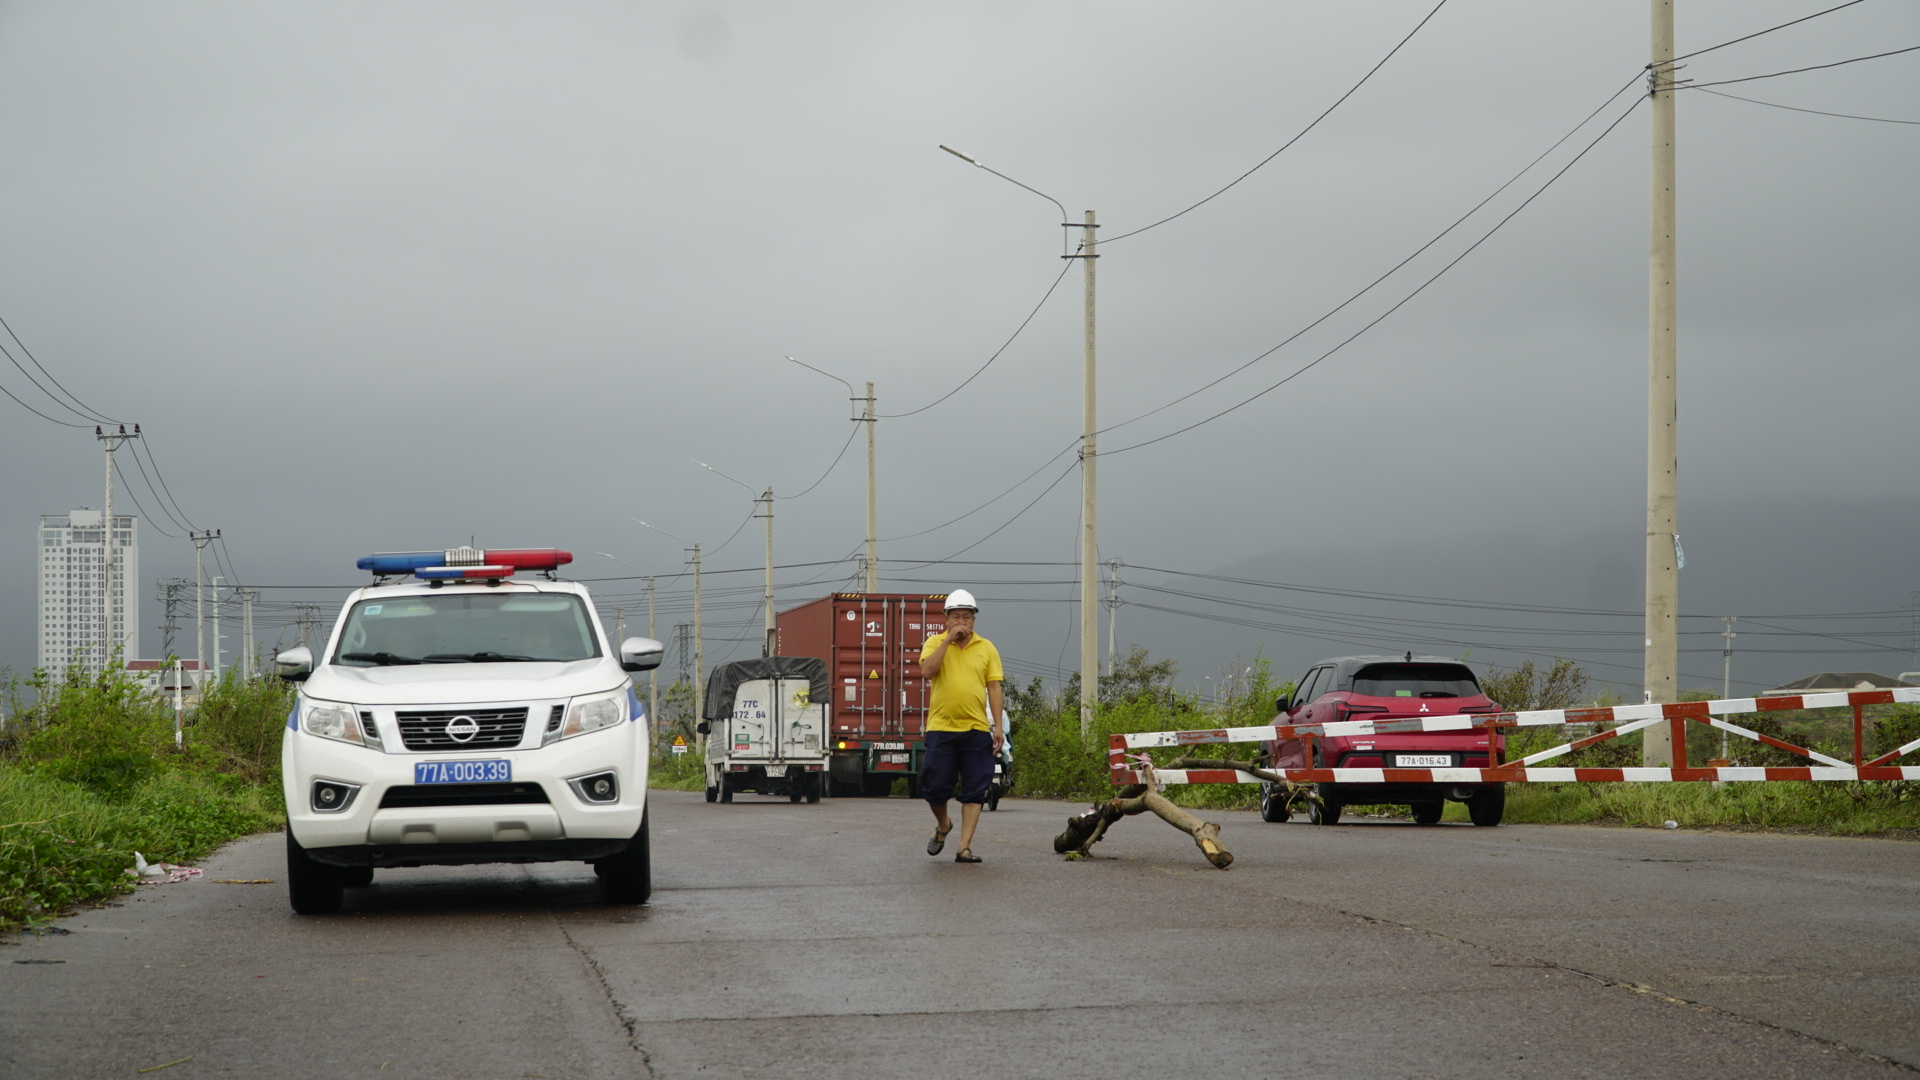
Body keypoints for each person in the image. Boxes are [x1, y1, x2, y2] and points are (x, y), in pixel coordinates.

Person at [917, 589, 1004, 863]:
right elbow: (926, 671)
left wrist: (997, 727)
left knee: (976, 788)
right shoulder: (935, 643)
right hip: (941, 728)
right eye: (956, 617)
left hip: (976, 729)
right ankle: (944, 825)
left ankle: (964, 847)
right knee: (934, 786)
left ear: (974, 620)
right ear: (946, 619)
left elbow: (994, 687)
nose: (961, 622)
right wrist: (947, 641)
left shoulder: (986, 648)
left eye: (967, 617)